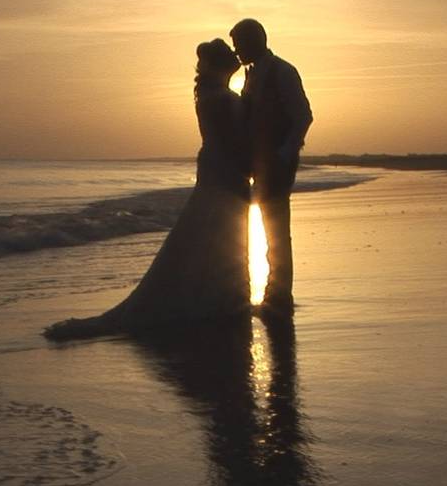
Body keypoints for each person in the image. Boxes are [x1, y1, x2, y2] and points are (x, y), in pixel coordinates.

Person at [44, 39, 251, 340]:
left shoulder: (212, 94)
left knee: (210, 233)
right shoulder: (217, 98)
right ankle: (216, 299)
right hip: (222, 170)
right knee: (215, 231)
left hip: (217, 168)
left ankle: (218, 297)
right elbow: (233, 139)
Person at [230, 19, 313, 317]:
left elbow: (303, 115)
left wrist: (284, 153)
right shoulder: (251, 76)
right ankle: (274, 291)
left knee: (277, 228)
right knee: (270, 226)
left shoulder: (283, 72)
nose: (236, 51)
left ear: (255, 41)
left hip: (276, 164)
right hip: (259, 165)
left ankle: (279, 293)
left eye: (239, 44)